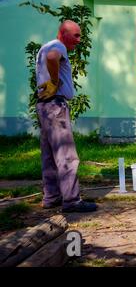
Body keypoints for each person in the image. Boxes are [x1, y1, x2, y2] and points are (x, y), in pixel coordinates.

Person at [36, 20, 97, 213]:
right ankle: (71, 200)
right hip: (55, 105)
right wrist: (54, 82)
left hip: (44, 106)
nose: (79, 40)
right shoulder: (57, 46)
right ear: (63, 33)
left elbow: (50, 58)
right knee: (66, 155)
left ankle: (51, 197)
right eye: (76, 35)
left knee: (49, 155)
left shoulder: (44, 47)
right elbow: (53, 58)